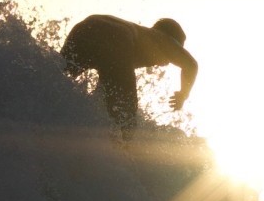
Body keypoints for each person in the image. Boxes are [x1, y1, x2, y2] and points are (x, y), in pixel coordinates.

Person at [60, 14, 196, 128]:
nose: (168, 63)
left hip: (85, 28)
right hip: (117, 36)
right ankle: (124, 154)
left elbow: (111, 75)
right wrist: (183, 94)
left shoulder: (141, 36)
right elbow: (191, 65)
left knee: (58, 78)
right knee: (126, 116)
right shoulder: (163, 38)